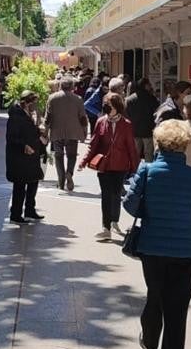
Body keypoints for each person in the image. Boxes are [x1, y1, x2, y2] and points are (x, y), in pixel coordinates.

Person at [123, 119, 191, 349]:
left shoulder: (147, 171)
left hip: (152, 248)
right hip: (186, 252)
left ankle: (150, 342)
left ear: (158, 143)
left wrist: (149, 211)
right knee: (178, 308)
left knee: (155, 295)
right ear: (185, 145)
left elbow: (130, 205)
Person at [80, 92, 140, 241]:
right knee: (106, 196)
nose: (107, 108)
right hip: (104, 165)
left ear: (117, 107)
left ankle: (114, 221)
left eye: (110, 106)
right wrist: (83, 161)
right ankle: (105, 227)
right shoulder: (101, 122)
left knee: (116, 194)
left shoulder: (126, 124)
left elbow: (131, 147)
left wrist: (136, 167)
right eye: (106, 105)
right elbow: (93, 145)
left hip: (120, 166)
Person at [7, 90, 47, 224]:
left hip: (32, 155)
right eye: (33, 103)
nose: (35, 106)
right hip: (21, 157)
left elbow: (30, 130)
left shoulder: (29, 114)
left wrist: (39, 134)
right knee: (20, 186)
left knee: (33, 181)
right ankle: (16, 213)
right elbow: (12, 137)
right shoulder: (16, 116)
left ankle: (30, 209)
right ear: (26, 103)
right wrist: (24, 146)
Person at [45, 77, 89, 192]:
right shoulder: (78, 99)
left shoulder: (52, 98)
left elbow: (48, 117)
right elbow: (83, 118)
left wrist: (45, 132)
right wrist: (85, 131)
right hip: (73, 132)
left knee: (58, 156)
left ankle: (61, 180)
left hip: (56, 131)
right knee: (72, 155)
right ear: (72, 87)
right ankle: (69, 173)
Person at [126, 78, 160, 163]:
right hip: (148, 130)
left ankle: (134, 171)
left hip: (134, 130)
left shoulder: (130, 99)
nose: (151, 86)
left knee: (135, 154)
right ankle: (148, 172)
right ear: (145, 85)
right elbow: (157, 112)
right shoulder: (151, 98)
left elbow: (127, 114)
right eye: (149, 84)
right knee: (148, 154)